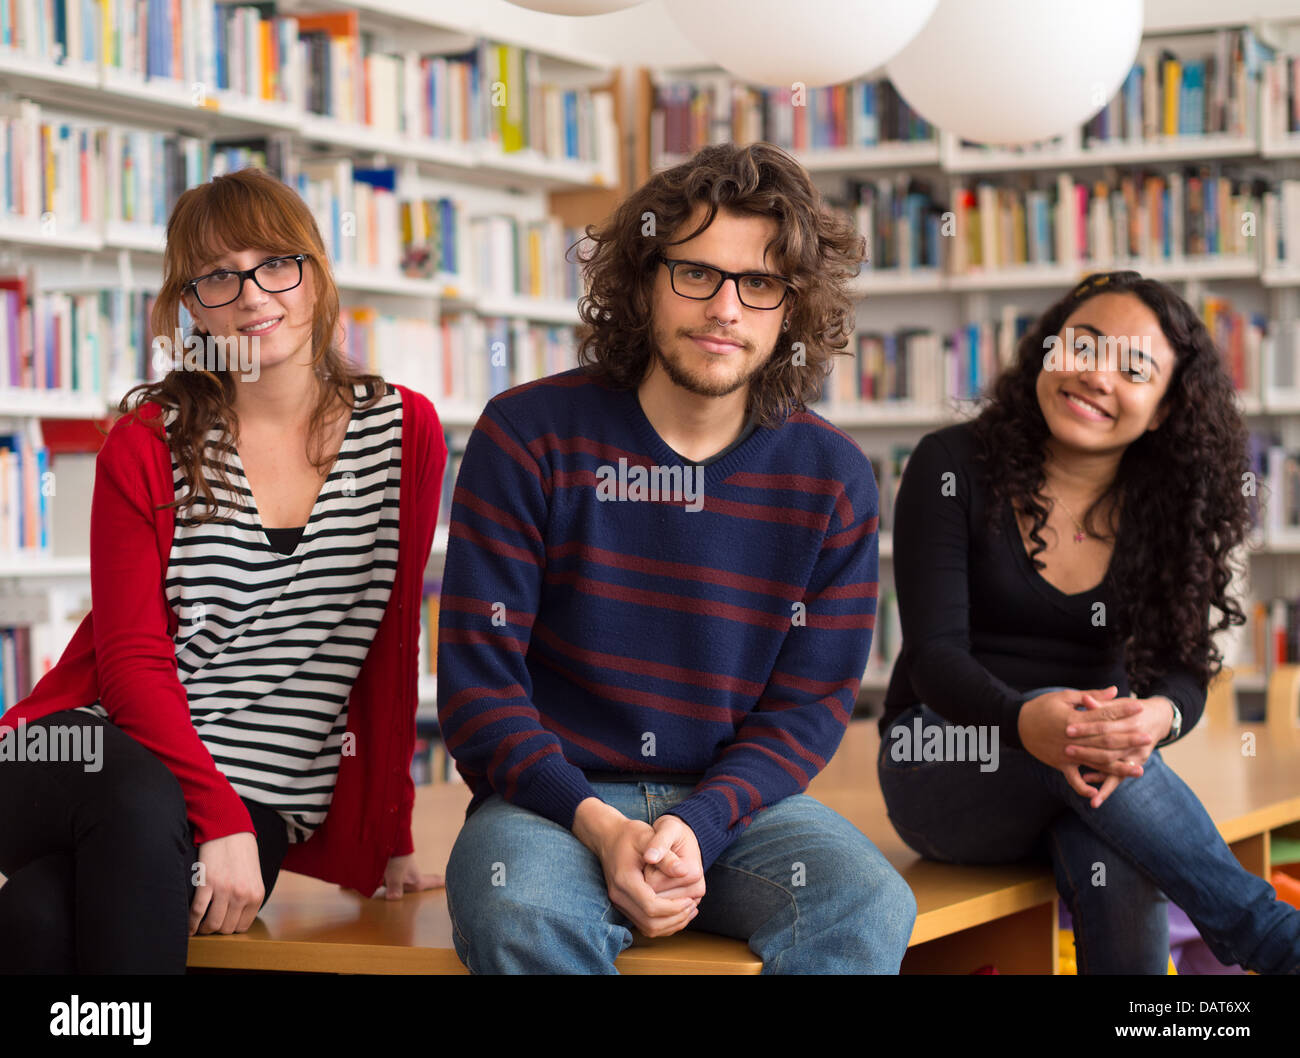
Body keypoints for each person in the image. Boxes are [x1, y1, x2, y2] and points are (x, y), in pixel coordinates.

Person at [437, 141, 916, 975]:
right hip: (551, 806)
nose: (726, 307)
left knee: (869, 900)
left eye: (759, 283)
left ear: (791, 310)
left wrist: (701, 821)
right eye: (696, 273)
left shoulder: (832, 477)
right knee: (518, 908)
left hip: (737, 811)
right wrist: (599, 821)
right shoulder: (528, 438)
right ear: (643, 281)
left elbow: (807, 710)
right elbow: (480, 690)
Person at [0, 167, 448, 975]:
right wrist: (218, 817)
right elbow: (133, 665)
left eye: (276, 262)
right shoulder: (148, 443)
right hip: (91, 751)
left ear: (316, 272)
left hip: (256, 799)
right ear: (191, 304)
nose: (251, 293)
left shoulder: (402, 433)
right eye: (217, 275)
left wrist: (390, 830)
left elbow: (390, 636)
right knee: (136, 799)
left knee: (35, 919)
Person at [879, 269, 1300, 975]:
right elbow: (934, 659)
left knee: (1112, 844)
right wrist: (1024, 721)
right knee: (1092, 762)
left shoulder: (1170, 500)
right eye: (1083, 345)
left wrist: (1160, 716)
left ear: (1165, 407)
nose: (1096, 376)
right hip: (944, 756)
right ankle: (1269, 938)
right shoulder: (950, 465)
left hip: (1098, 779)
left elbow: (1182, 667)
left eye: (1133, 368)